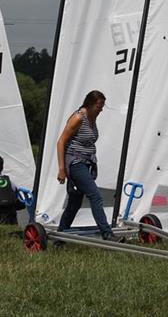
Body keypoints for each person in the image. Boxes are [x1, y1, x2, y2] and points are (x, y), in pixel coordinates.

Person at [56, 90, 122, 242]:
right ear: (91, 104)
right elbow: (61, 142)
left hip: (86, 163)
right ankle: (107, 233)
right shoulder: (78, 117)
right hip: (75, 163)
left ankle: (59, 238)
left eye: (103, 106)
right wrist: (61, 169)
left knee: (74, 204)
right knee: (95, 195)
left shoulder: (93, 117)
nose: (101, 109)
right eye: (100, 106)